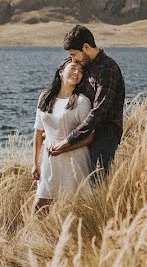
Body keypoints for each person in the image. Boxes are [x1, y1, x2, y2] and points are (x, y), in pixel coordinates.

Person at [48, 25, 125, 182]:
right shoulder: (85, 66)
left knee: (96, 184)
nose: (73, 60)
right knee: (75, 183)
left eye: (74, 55)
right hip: (82, 135)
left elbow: (99, 111)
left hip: (103, 137)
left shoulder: (107, 68)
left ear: (86, 47)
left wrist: (68, 140)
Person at [33, 58, 95, 209]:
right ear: (61, 72)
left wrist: (63, 148)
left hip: (74, 159)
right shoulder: (45, 97)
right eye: (73, 68)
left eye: (81, 71)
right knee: (40, 205)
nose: (77, 73)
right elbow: (38, 131)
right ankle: (34, 233)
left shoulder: (81, 101)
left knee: (74, 206)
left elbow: (89, 136)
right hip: (50, 160)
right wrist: (35, 163)